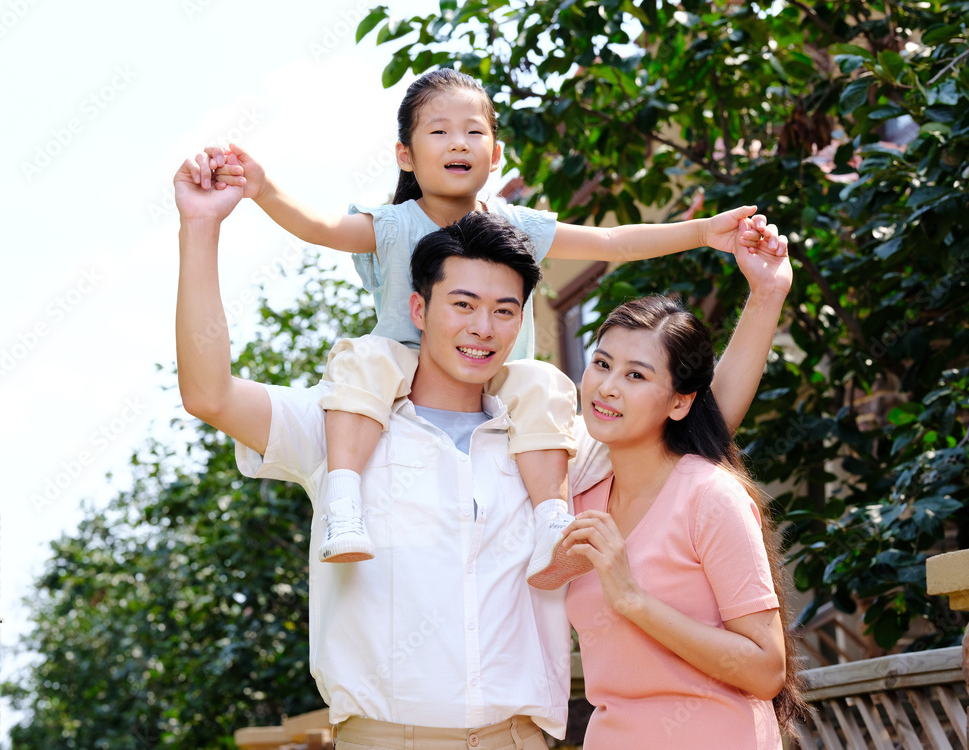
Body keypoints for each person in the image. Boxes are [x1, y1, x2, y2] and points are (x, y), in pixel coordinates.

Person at [173, 148, 792, 745]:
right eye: (462, 305)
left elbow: (696, 422)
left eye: (503, 310)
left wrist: (765, 296)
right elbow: (210, 395)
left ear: (522, 321)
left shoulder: (553, 446)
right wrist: (201, 228)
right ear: (418, 308)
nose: (482, 328)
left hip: (520, 740)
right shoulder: (342, 427)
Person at [189, 67, 788, 589]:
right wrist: (260, 188)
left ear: (496, 153)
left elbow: (610, 241)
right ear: (405, 154)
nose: (459, 142)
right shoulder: (393, 224)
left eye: (475, 131)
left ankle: (552, 522)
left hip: (502, 384)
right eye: (440, 131)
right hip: (400, 369)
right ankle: (344, 499)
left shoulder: (515, 227)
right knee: (364, 361)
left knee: (545, 385)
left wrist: (705, 230)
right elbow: (318, 227)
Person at [561, 293, 808, 748]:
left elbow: (766, 669)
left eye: (635, 374)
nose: (608, 386)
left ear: (679, 403)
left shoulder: (710, 496)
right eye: (601, 363)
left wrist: (632, 599)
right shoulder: (577, 497)